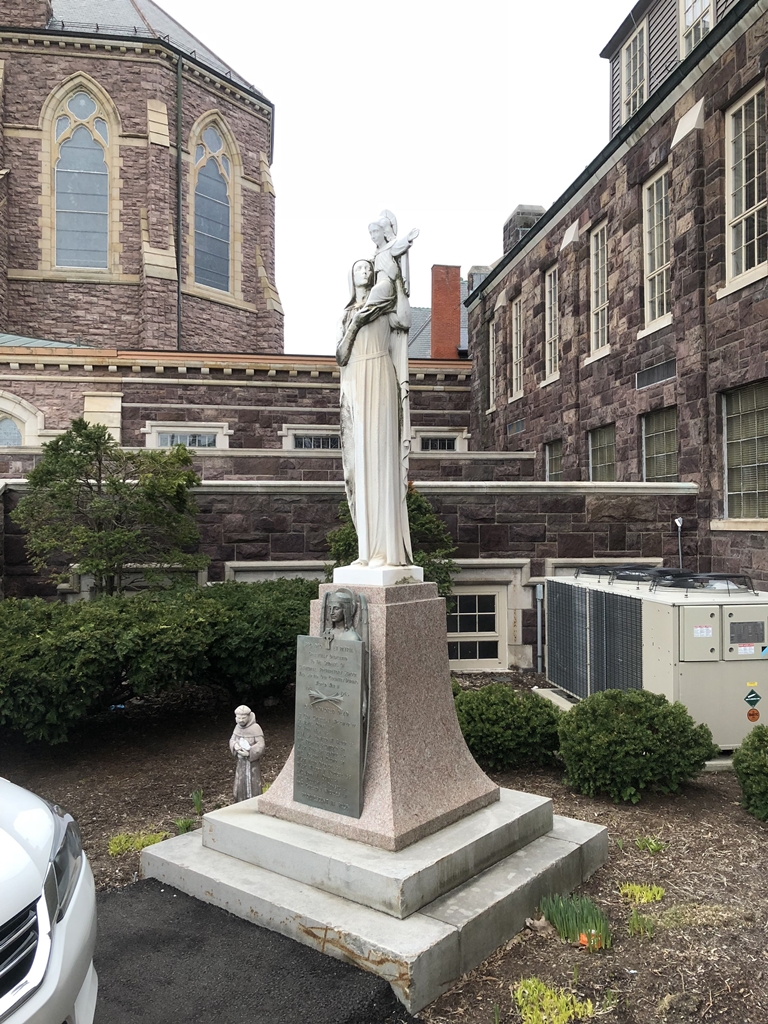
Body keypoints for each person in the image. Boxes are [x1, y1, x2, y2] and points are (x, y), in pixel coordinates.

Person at [336, 213, 419, 569]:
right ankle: (366, 550)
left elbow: (405, 319)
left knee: (381, 460)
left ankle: (387, 552)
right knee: (360, 465)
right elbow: (340, 355)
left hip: (380, 378)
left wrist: (397, 274)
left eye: (370, 269)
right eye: (361, 269)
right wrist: (354, 323)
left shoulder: (384, 305)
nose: (366, 273)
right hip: (355, 382)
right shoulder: (348, 315)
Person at [229, 705, 265, 802]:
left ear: (249, 717)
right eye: (239, 718)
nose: (241, 720)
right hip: (241, 763)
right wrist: (235, 745)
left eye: (243, 718)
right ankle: (239, 800)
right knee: (240, 783)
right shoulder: (237, 727)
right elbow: (232, 739)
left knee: (252, 783)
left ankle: (252, 800)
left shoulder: (256, 728)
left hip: (252, 763)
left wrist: (249, 753)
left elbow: (261, 745)